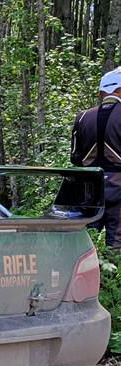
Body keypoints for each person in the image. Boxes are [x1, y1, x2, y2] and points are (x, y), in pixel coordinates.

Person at [71, 66, 121, 251]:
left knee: (86, 241)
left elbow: (75, 158)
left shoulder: (82, 117)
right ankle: (111, 277)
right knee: (116, 244)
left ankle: (86, 274)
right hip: (119, 188)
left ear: (102, 92)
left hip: (89, 189)